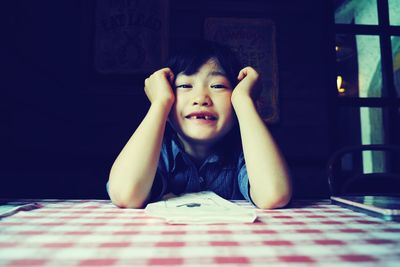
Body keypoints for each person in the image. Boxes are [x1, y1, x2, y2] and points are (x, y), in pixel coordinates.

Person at [107, 40, 292, 209]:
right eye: (185, 86)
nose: (201, 98)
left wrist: (244, 100)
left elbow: (273, 195)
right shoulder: (157, 153)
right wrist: (160, 103)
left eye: (218, 86)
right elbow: (125, 194)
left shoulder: (247, 153)